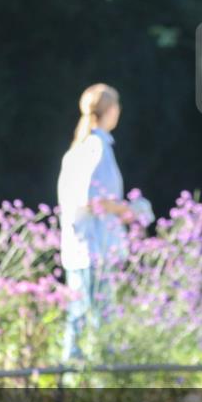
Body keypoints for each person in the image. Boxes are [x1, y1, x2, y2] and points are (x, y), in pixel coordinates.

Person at [57, 83, 135, 362]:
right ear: (110, 110)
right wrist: (125, 210)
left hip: (76, 247)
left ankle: (68, 387)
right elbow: (93, 199)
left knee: (76, 321)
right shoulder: (98, 148)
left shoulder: (75, 150)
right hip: (96, 248)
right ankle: (104, 388)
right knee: (101, 324)